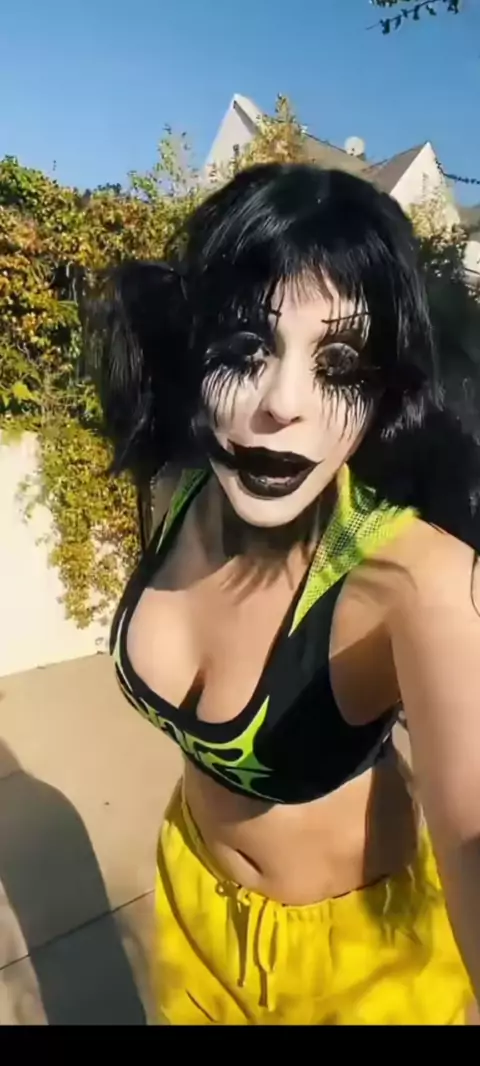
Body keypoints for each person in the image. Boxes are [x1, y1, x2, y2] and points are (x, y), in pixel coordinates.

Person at [94, 163, 480, 1025]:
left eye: (339, 364)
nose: (282, 404)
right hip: (191, 897)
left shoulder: (419, 581)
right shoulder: (179, 486)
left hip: (357, 967)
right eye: (244, 347)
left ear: (385, 391)